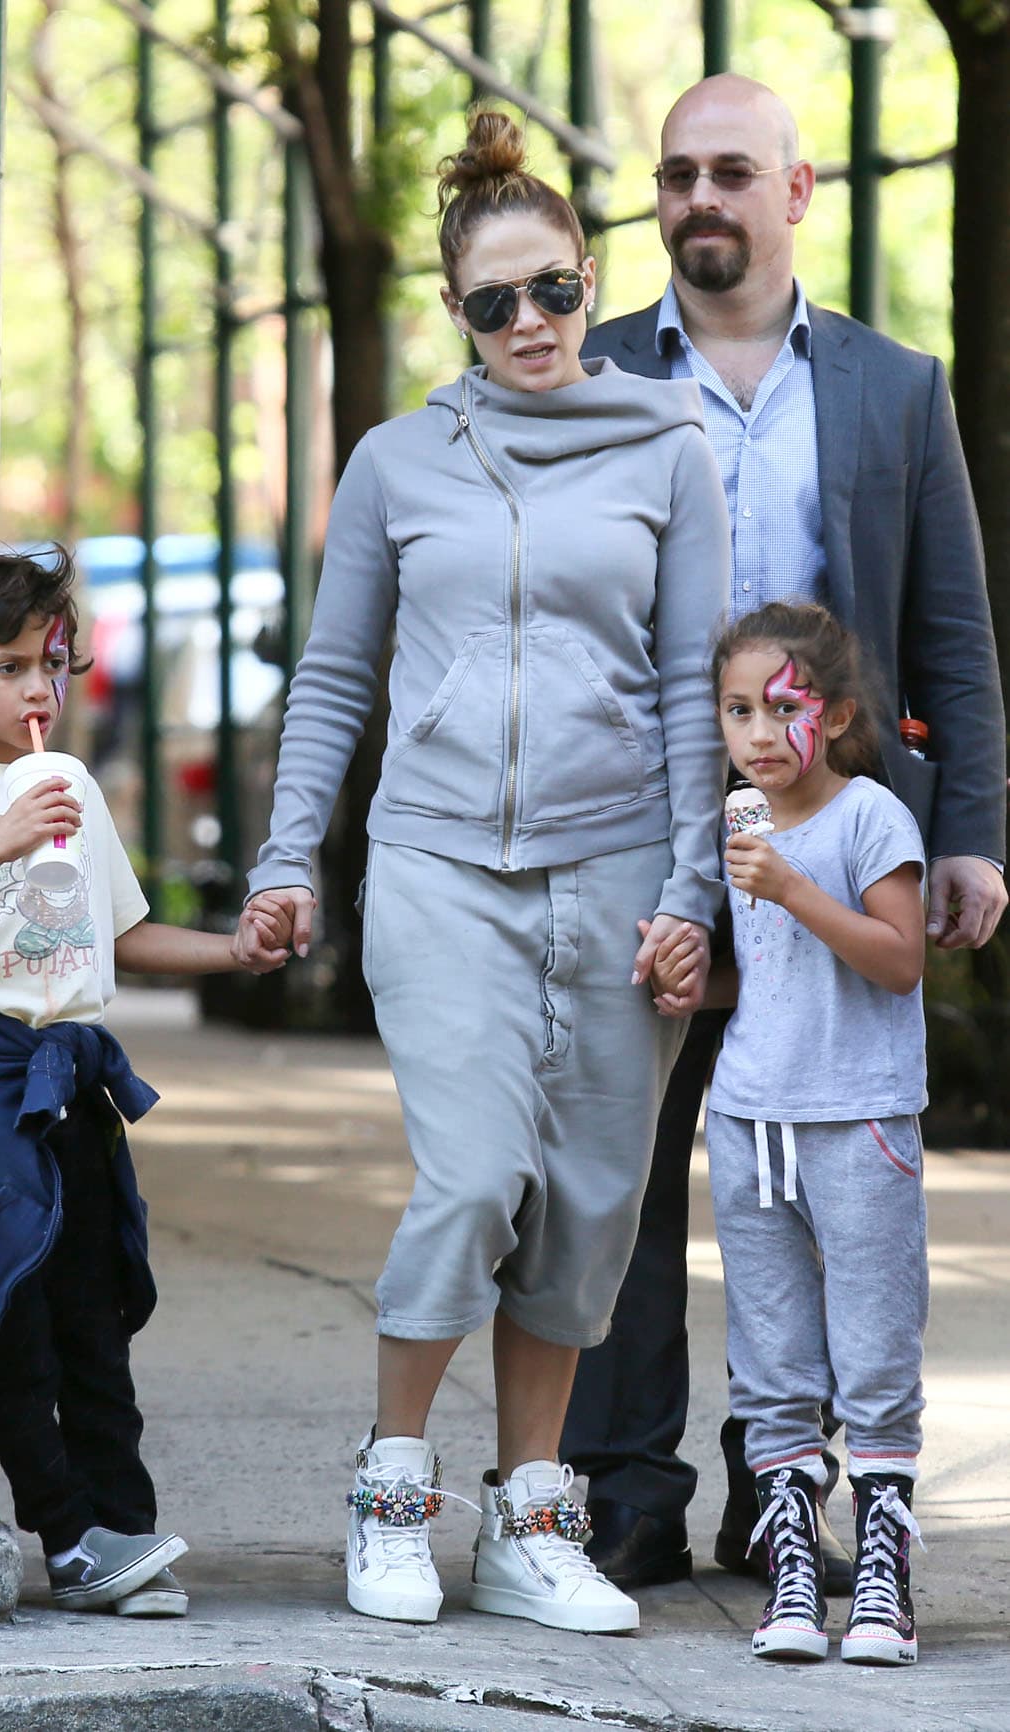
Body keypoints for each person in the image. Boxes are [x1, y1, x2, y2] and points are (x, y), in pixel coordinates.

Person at [235, 110, 730, 1634]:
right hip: (437, 862)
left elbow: (689, 690)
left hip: (616, 868)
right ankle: (391, 1494)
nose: (528, 322)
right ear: (455, 309)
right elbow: (334, 675)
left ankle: (527, 1525)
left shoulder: (668, 447)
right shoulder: (397, 461)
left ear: (590, 283)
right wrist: (285, 856)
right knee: (471, 1179)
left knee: (584, 1209)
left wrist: (690, 894)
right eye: (493, 301)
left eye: (552, 291)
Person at [563, 73, 1007, 1595]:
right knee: (624, 1178)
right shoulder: (591, 370)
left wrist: (969, 836)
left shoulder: (894, 389)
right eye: (676, 172)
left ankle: (783, 1487)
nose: (699, 197)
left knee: (813, 1186)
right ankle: (625, 1493)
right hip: (634, 838)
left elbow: (951, 632)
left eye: (731, 171)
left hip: (829, 845)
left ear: (797, 191)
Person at [0, 548, 291, 1617]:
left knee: (94, 1311)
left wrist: (235, 951)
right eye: (9, 667)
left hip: (74, 1069)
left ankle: (125, 1529)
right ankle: (67, 1539)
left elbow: (122, 934)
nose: (37, 691)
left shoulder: (74, 787)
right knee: (15, 1313)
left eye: (52, 666)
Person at [707, 600, 927, 1666]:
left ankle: (884, 1576)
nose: (757, 733)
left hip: (859, 1118)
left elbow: (899, 959)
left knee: (875, 1352)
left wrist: (792, 886)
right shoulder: (739, 819)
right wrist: (689, 976)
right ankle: (791, 1564)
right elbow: (769, 971)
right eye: (736, 710)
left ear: (835, 715)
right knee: (770, 1357)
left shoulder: (869, 817)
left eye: (781, 708)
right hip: (751, 1117)